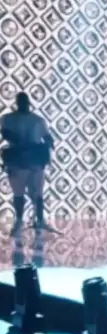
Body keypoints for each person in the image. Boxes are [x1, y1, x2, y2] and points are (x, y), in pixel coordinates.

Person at [0, 92, 54, 235]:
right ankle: (24, 221)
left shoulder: (35, 120)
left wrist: (48, 143)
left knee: (34, 193)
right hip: (23, 160)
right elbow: (6, 134)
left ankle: (35, 220)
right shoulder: (12, 119)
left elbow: (47, 136)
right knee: (23, 193)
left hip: (27, 160)